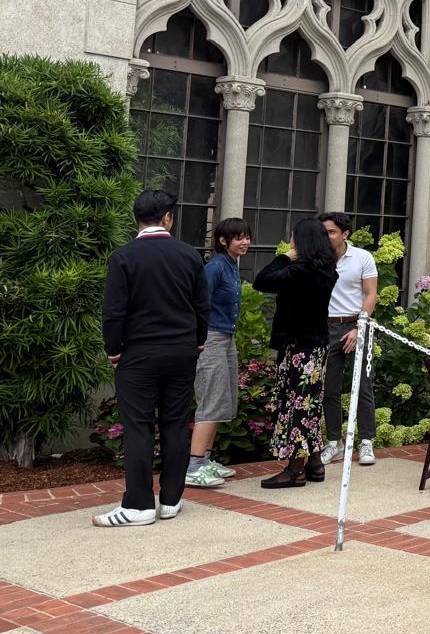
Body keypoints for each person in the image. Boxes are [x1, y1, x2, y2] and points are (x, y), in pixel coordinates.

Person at [94, 190, 210, 527]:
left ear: (136, 219)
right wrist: (198, 343)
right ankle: (171, 500)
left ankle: (139, 504)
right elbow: (202, 307)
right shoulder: (189, 256)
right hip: (182, 351)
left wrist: (114, 351)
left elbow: (113, 312)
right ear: (168, 217)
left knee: (139, 426)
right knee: (175, 423)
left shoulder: (124, 257)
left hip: (139, 353)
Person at [253, 218, 339, 488]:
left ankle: (295, 470)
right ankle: (314, 463)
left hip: (299, 346)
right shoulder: (325, 269)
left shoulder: (300, 271)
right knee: (309, 404)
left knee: (297, 405)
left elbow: (262, 281)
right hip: (315, 345)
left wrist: (283, 258)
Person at [186, 217, 252, 489]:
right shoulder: (215, 267)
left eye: (247, 237)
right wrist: (198, 340)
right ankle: (193, 465)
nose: (245, 242)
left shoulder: (231, 266)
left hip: (227, 336)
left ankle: (205, 461)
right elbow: (198, 303)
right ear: (223, 241)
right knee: (211, 397)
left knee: (223, 398)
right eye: (239, 238)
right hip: (211, 336)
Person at [318, 211, 379, 468]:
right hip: (326, 327)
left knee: (362, 385)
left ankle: (366, 441)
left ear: (345, 234)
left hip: (356, 325)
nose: (327, 236)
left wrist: (359, 326)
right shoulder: (318, 258)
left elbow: (371, 294)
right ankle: (334, 441)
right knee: (329, 388)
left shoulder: (362, 257)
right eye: (324, 232)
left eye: (331, 231)